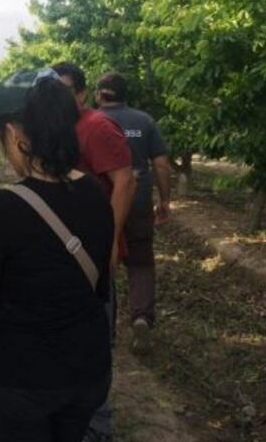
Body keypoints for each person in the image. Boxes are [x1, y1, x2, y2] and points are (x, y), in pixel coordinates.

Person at [0, 68, 114, 442]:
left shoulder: (5, 207)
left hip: (25, 377)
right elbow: (102, 273)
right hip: (87, 367)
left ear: (17, 136)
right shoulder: (94, 192)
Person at [52, 61, 134, 442]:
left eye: (66, 91)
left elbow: (124, 182)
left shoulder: (96, 127)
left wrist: (110, 242)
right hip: (65, 252)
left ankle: (96, 429)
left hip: (92, 254)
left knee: (95, 344)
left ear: (82, 94)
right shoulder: (59, 131)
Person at [95, 72, 171, 335]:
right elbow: (161, 164)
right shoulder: (144, 121)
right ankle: (141, 317)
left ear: (98, 94)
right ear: (126, 95)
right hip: (138, 201)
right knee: (140, 262)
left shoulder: (90, 122)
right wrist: (164, 200)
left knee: (101, 258)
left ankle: (102, 321)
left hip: (102, 202)